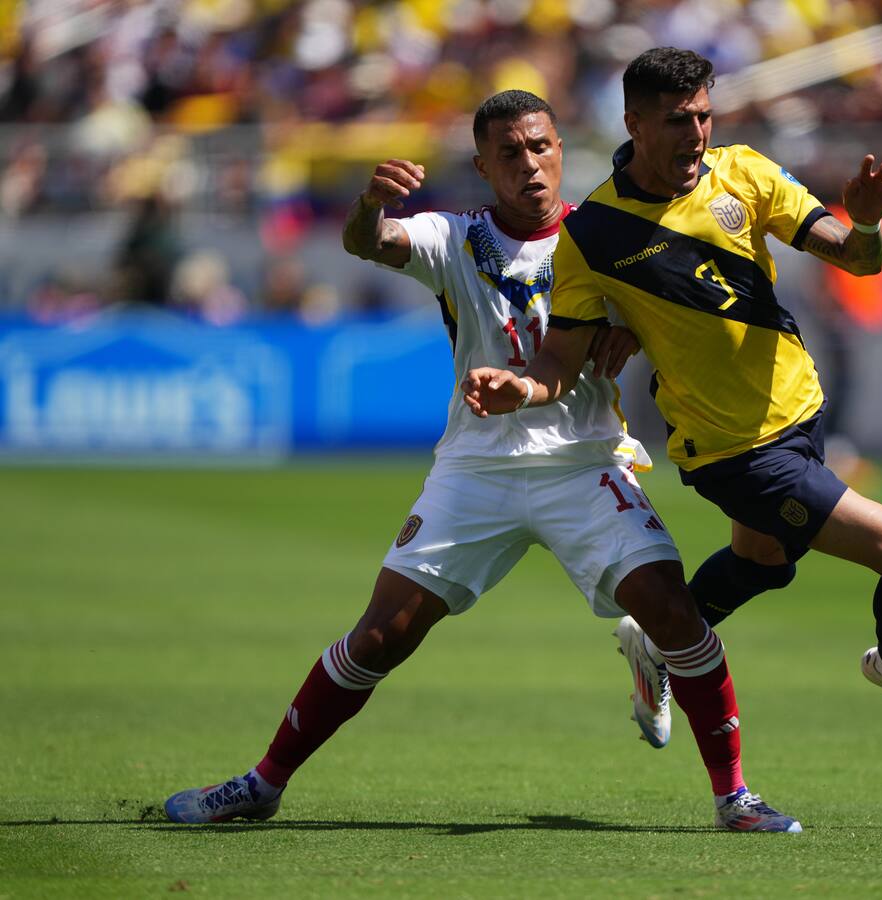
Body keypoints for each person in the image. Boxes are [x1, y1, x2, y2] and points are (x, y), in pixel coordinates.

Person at [163, 90, 801, 833]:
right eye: (509, 153)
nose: (528, 165)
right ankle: (262, 784)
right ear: (483, 166)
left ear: (561, 149)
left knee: (674, 617)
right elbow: (367, 244)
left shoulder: (612, 234)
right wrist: (370, 205)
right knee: (380, 636)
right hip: (476, 467)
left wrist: (632, 332)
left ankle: (734, 798)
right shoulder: (453, 236)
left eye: (540, 147)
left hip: (583, 462)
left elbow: (676, 320)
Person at [463, 50, 882, 749]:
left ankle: (656, 643)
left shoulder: (744, 172)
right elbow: (563, 355)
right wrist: (525, 387)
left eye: (704, 116)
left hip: (800, 412)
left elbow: (856, 259)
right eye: (677, 120)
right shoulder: (593, 234)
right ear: (635, 123)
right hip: (733, 453)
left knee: (763, 566)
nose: (696, 134)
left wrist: (864, 226)